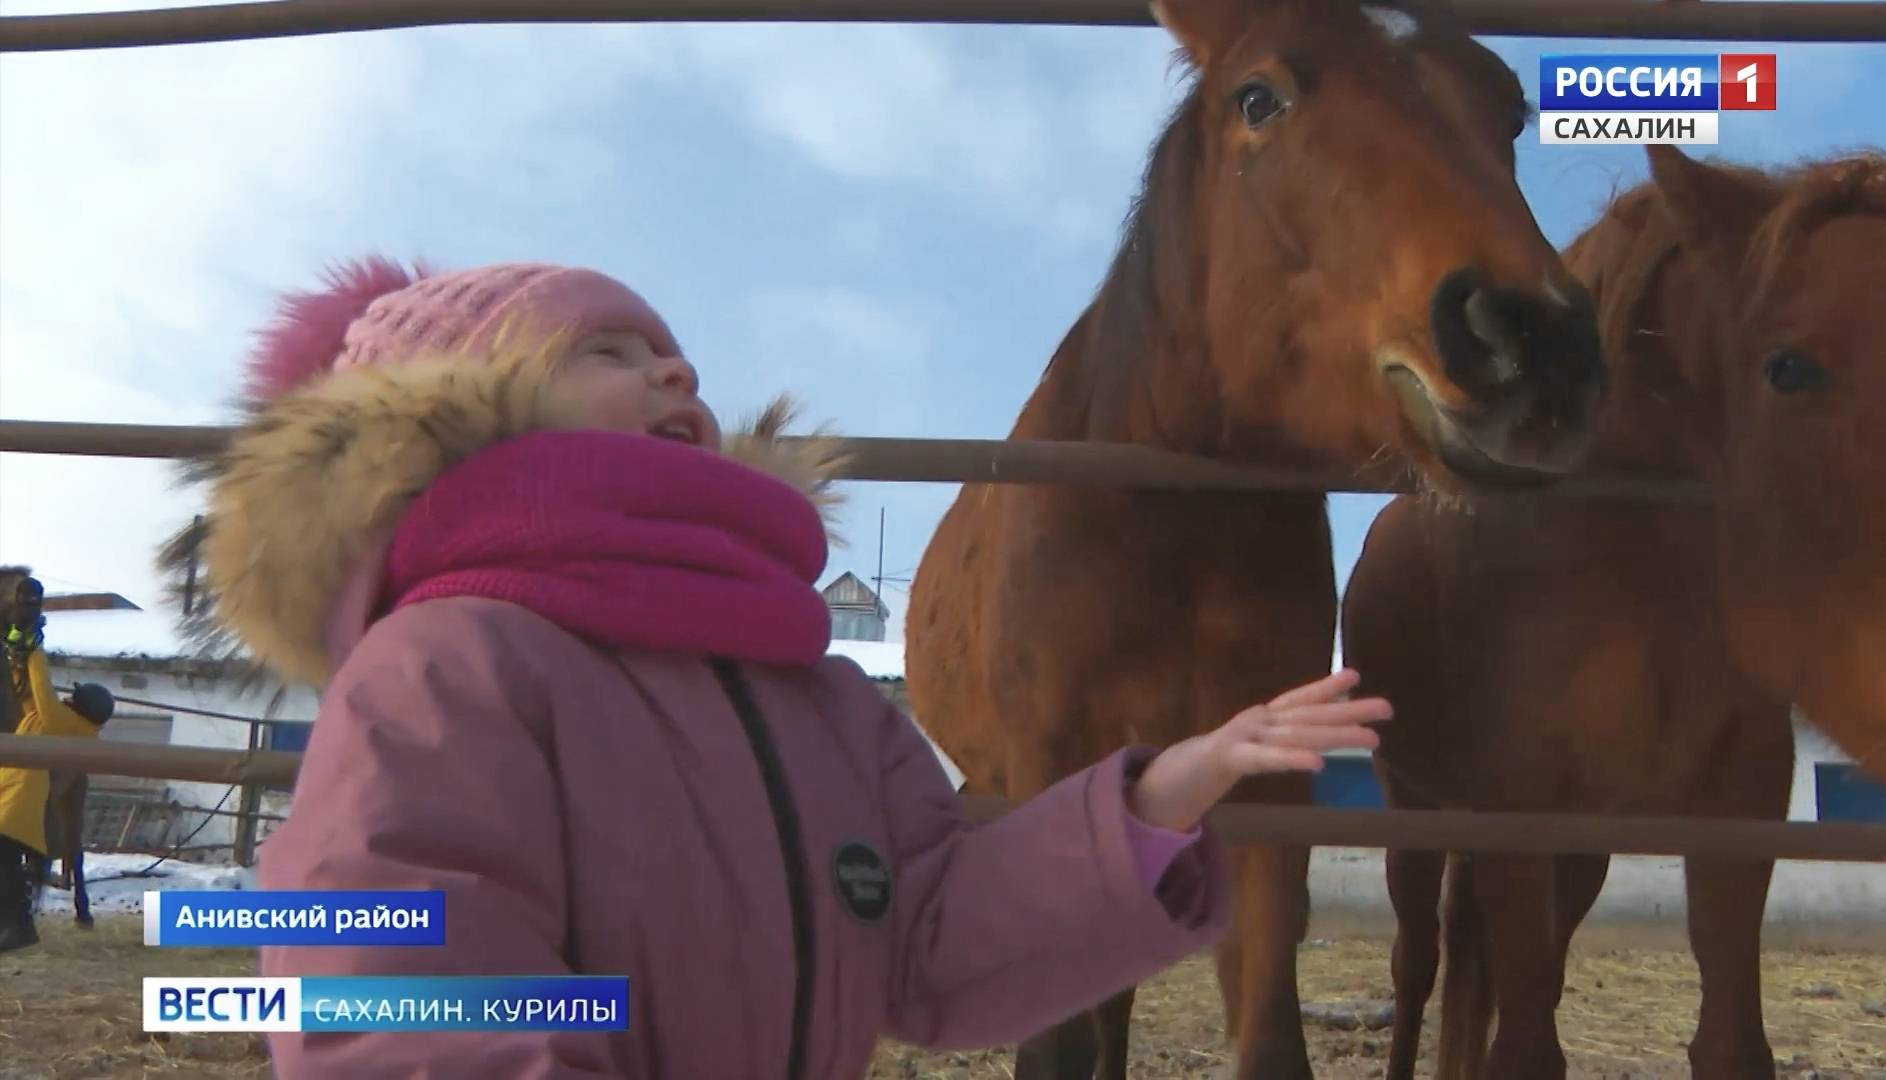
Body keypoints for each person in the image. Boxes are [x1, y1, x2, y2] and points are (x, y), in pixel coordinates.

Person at [166, 256, 1390, 1077]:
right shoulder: (440, 666)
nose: (676, 369)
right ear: (470, 420)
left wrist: (1152, 804)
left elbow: (928, 942)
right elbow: (378, 989)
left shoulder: (810, 691)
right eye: (608, 348)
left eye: (672, 350)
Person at [1, 588, 115, 953]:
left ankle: (20, 926)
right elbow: (29, 697)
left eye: (73, 697)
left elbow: (45, 699)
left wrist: (36, 652)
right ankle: (17, 925)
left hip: (20, 798)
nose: (67, 698)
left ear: (78, 707)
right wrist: (18, 656)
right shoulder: (57, 722)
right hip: (11, 791)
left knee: (4, 858)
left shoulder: (64, 724)